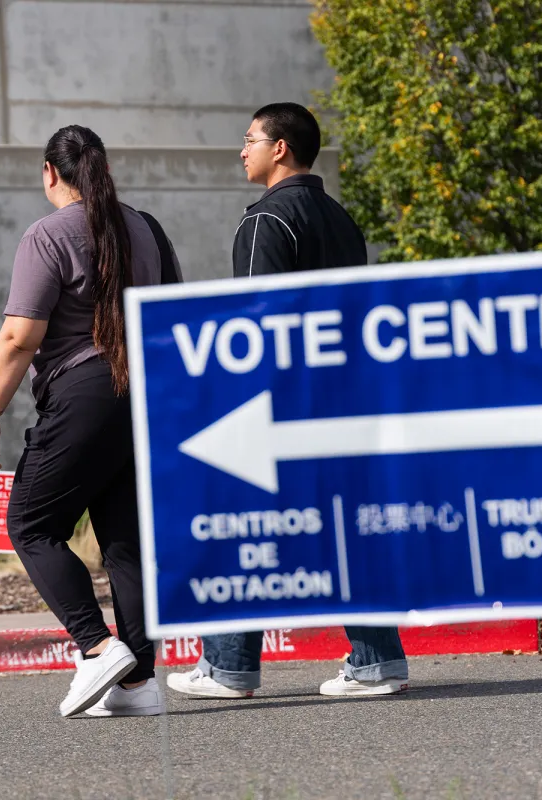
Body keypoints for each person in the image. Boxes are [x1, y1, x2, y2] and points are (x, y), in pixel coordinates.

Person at [167, 102, 411, 700]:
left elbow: (257, 331)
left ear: (281, 148)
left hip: (279, 412)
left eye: (250, 139)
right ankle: (378, 661)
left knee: (239, 526)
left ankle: (228, 668)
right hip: (346, 402)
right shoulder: (341, 220)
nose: (241, 149)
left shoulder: (265, 223)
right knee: (347, 530)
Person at [0, 125, 182, 718]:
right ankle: (140, 685)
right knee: (124, 540)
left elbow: (19, 336)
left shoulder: (46, 235)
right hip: (144, 391)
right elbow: (172, 312)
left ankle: (95, 647)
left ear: (49, 172)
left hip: (86, 388)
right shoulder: (144, 226)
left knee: (30, 523)